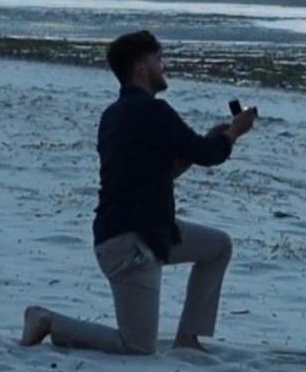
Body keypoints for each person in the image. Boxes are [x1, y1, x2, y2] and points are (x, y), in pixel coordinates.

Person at [20, 30, 258, 354]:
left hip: (146, 232)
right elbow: (209, 154)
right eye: (158, 59)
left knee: (217, 246)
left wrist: (211, 140)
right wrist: (234, 133)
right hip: (130, 243)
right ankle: (48, 320)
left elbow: (162, 170)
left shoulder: (115, 115)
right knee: (137, 346)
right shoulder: (151, 111)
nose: (164, 65)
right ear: (140, 68)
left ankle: (189, 336)